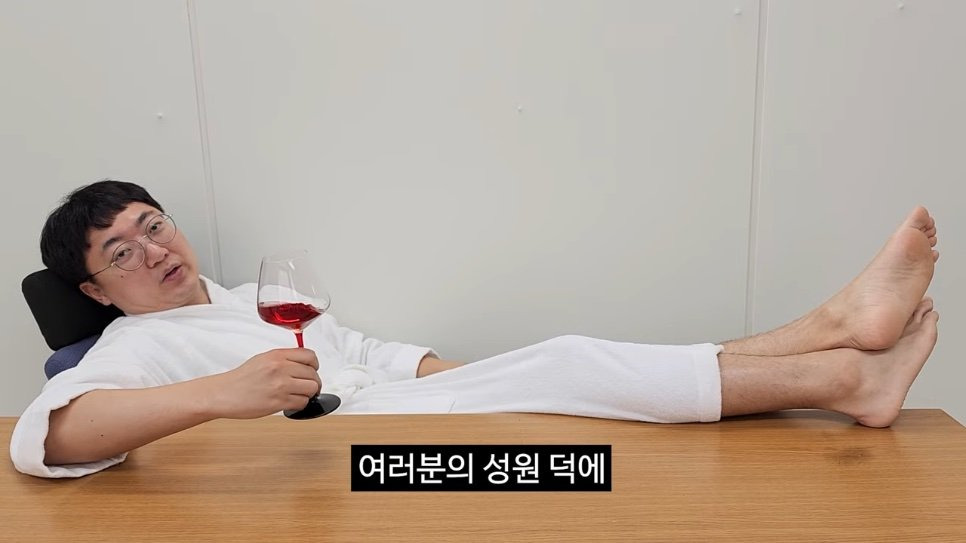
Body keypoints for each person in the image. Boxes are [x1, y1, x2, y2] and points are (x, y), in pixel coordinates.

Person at [10, 181, 940, 478]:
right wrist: (222, 395)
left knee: (571, 367)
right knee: (572, 361)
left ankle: (832, 333)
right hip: (351, 458)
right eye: (122, 252)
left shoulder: (240, 294)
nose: (153, 249)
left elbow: (359, 350)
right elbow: (43, 440)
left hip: (397, 410)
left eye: (153, 224)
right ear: (94, 290)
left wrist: (464, 378)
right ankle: (841, 366)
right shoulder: (133, 349)